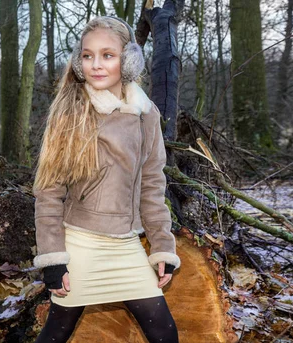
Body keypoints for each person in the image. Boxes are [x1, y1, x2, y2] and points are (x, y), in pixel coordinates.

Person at [32, 16, 181, 343]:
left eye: (107, 55)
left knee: (164, 332)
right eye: (87, 56)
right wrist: (54, 259)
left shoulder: (147, 113)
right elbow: (48, 193)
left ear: (127, 60)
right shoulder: (71, 111)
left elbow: (153, 186)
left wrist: (163, 247)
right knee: (57, 331)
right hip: (81, 244)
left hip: (126, 246)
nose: (95, 65)